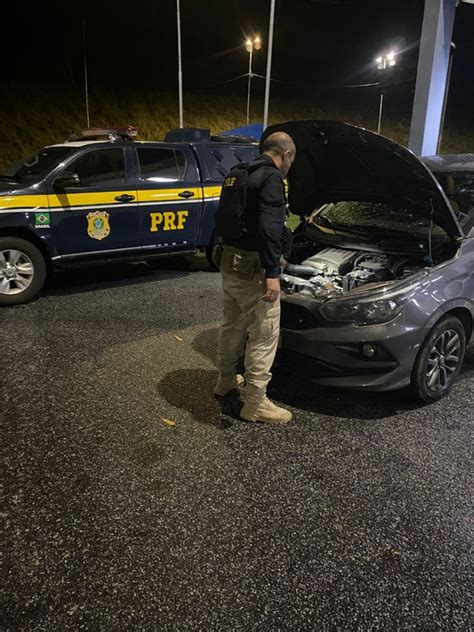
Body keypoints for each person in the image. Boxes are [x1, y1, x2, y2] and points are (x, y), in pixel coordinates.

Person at [213, 131, 296, 424]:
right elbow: (270, 228)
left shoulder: (236, 174)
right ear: (285, 155)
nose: (289, 165)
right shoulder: (272, 178)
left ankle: (225, 381)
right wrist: (272, 273)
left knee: (231, 324)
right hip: (254, 270)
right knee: (264, 333)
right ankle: (255, 404)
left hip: (229, 263)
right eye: (291, 160)